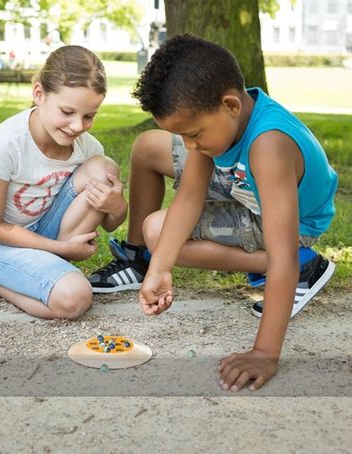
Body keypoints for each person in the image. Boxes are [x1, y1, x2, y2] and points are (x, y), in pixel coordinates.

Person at [87, 34, 337, 390]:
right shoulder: (223, 121)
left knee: (158, 231)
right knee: (147, 148)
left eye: (193, 134)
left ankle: (307, 264)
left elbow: (282, 256)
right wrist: (159, 269)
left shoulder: (269, 146)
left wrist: (265, 353)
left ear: (230, 105)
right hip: (245, 184)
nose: (189, 146)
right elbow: (189, 197)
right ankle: (138, 260)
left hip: (290, 222)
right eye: (182, 136)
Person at [0, 45, 128, 320]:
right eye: (67, 111)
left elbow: (109, 222)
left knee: (103, 167)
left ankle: (49, 268)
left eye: (89, 116)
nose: (77, 126)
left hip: (47, 230)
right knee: (76, 299)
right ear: (39, 94)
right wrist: (64, 249)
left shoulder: (86, 147)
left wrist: (117, 206)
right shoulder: (4, 145)